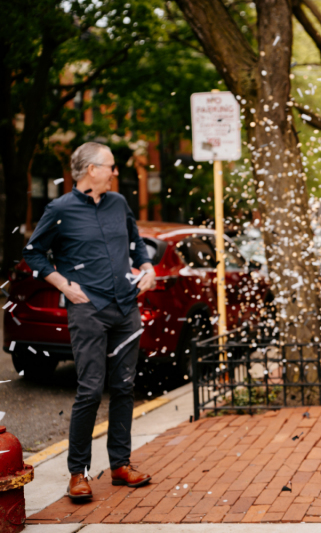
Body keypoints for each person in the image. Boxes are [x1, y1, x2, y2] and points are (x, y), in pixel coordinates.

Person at [23, 142, 156, 500]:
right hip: (87, 309)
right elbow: (33, 252)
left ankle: (120, 465)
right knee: (90, 389)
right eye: (110, 166)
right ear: (90, 170)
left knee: (125, 386)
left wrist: (147, 267)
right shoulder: (59, 209)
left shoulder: (119, 203)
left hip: (125, 306)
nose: (115, 172)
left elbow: (135, 240)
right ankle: (77, 473)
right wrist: (64, 284)